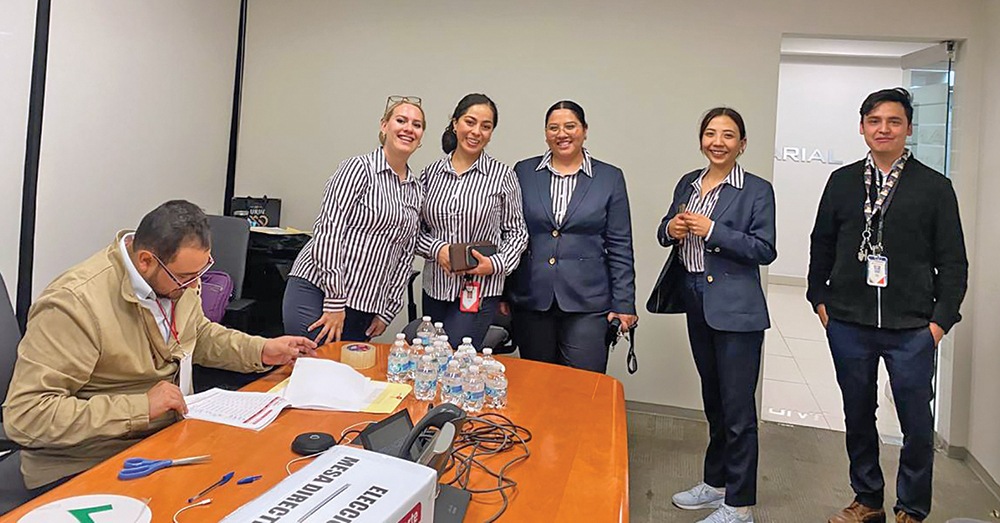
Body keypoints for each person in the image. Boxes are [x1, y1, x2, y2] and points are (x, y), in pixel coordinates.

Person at [2, 200, 316, 492]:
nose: (194, 285)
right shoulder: (75, 305)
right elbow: (27, 415)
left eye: (201, 272)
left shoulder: (174, 282)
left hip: (166, 438)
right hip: (87, 462)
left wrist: (261, 350)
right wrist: (140, 408)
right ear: (146, 261)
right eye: (185, 277)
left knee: (266, 473)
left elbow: (198, 335)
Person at [808, 88, 968, 523]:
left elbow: (953, 262)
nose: (884, 129)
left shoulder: (935, 188)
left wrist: (939, 322)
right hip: (848, 321)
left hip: (912, 327)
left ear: (908, 129)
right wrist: (819, 298)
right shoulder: (842, 181)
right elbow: (822, 243)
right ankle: (867, 499)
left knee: (916, 423)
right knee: (858, 414)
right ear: (862, 127)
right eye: (874, 121)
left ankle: (911, 508)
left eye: (894, 121)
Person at [649, 107, 775, 523]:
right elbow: (665, 228)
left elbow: (764, 249)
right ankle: (716, 482)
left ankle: (739, 506)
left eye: (728, 135)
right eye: (710, 133)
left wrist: (713, 231)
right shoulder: (689, 182)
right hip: (696, 300)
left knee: (738, 410)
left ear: (742, 143)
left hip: (737, 310)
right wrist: (671, 229)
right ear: (701, 139)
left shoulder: (756, 190)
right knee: (715, 402)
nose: (717, 142)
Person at [505, 100, 637, 373]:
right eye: (553, 128)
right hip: (532, 298)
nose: (561, 134)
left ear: (584, 130)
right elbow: (510, 233)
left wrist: (624, 303)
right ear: (545, 133)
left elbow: (620, 245)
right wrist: (504, 293)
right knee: (537, 383)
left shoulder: (609, 177)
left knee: (583, 386)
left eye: (570, 126)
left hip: (588, 302)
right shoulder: (524, 172)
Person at [284, 96, 426, 343]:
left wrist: (388, 310)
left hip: (365, 303)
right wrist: (335, 301)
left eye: (417, 125)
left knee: (349, 368)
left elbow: (405, 254)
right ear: (384, 125)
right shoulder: (358, 169)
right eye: (401, 120)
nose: (408, 129)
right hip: (320, 292)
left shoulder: (416, 189)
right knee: (316, 363)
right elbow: (328, 232)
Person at [414, 93, 527, 349]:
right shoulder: (430, 174)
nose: (476, 132)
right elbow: (414, 230)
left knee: (454, 356)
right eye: (470, 122)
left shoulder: (502, 176)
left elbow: (517, 233)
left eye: (486, 126)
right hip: (435, 287)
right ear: (455, 123)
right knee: (432, 357)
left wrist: (495, 264)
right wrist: (437, 249)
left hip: (480, 289)